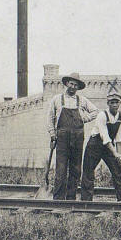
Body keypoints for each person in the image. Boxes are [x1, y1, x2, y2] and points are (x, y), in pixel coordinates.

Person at [47, 72, 98, 200]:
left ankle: (71, 199)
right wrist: (53, 135)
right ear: (66, 83)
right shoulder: (57, 99)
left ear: (78, 87)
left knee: (75, 169)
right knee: (61, 169)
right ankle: (58, 199)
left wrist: (83, 118)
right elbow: (50, 118)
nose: (73, 87)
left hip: (77, 138)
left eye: (76, 85)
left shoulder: (81, 100)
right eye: (71, 83)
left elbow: (95, 111)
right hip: (62, 138)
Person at [81, 93, 121, 202]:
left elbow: (119, 137)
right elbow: (105, 137)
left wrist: (119, 155)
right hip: (95, 144)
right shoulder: (102, 115)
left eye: (116, 102)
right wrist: (115, 153)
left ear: (120, 103)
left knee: (117, 169)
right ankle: (86, 201)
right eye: (112, 102)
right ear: (108, 103)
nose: (114, 105)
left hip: (109, 146)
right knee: (88, 171)